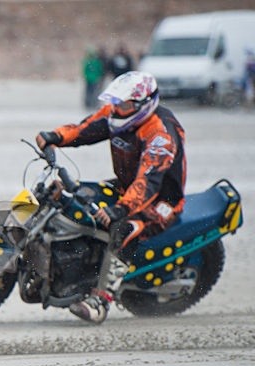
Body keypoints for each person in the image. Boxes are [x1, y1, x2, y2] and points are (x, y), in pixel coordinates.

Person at [36, 71, 186, 324]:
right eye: (115, 103)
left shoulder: (160, 135)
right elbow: (85, 129)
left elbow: (148, 182)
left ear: (143, 104)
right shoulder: (117, 115)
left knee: (123, 228)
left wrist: (121, 209)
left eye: (123, 105)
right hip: (127, 186)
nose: (116, 109)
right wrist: (56, 136)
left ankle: (101, 301)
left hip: (161, 200)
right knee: (73, 195)